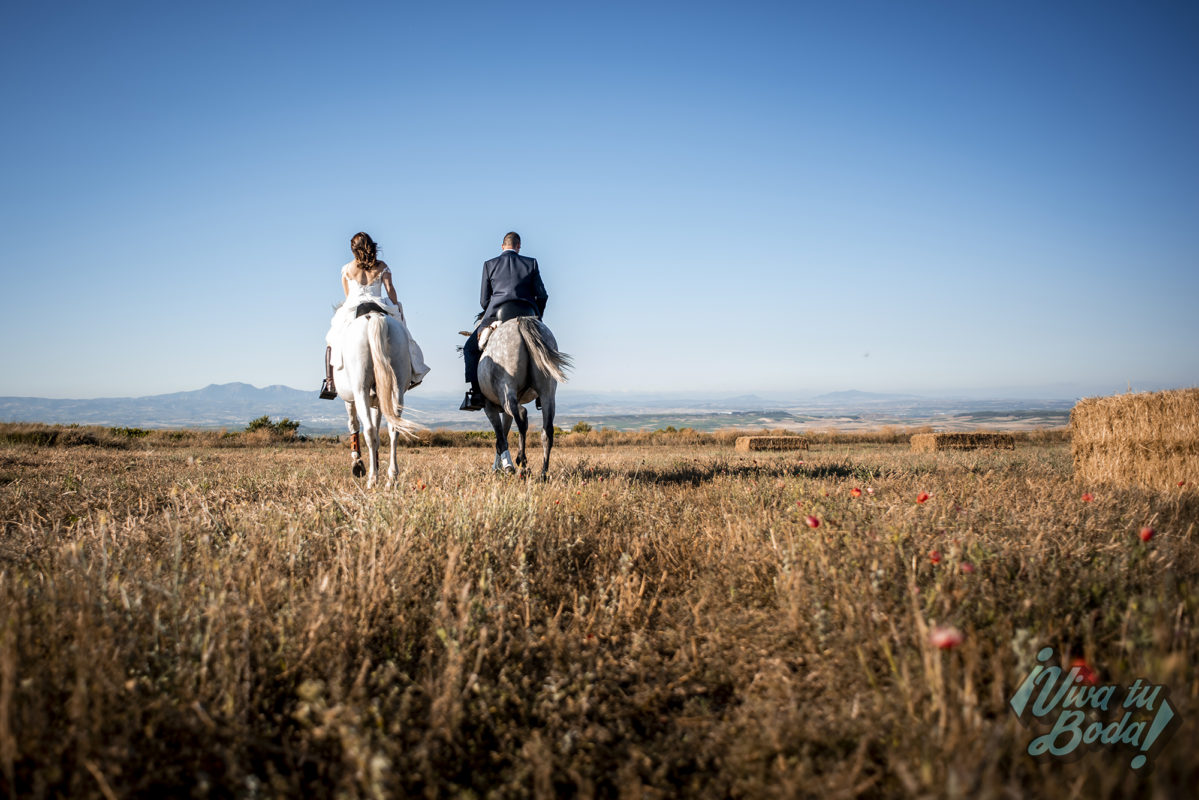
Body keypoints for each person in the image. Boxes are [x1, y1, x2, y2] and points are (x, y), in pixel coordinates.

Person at [320, 232, 430, 399]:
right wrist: (396, 307)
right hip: (379, 304)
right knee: (404, 333)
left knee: (332, 339)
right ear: (371, 246)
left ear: (353, 249)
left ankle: (330, 382)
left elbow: (348, 296)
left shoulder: (347, 269)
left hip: (355, 306)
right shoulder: (382, 266)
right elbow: (390, 288)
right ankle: (414, 370)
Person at [460, 231, 548, 411]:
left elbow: (484, 300)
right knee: (544, 348)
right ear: (518, 246)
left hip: (498, 315)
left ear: (502, 246)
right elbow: (542, 295)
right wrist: (538, 316)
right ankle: (542, 393)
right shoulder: (531, 263)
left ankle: (476, 393)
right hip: (528, 315)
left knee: (470, 349)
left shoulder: (489, 264)